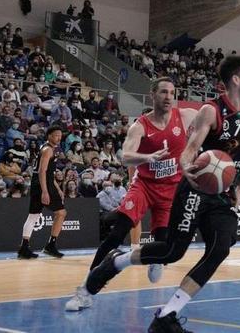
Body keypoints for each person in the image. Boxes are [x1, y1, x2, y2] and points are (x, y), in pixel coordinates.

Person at [85, 56, 240, 333]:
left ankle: (166, 316)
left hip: (222, 193)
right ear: (235, 79)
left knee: (221, 246)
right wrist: (185, 166)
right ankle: (117, 261)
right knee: (172, 251)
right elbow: (191, 147)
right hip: (194, 187)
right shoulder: (210, 110)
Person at [66, 77, 197, 312]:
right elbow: (124, 156)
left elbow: (213, 120)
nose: (168, 96)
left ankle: (156, 259)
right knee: (118, 233)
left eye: (172, 92)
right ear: (153, 95)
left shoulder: (185, 117)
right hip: (144, 186)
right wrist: (147, 158)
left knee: (165, 245)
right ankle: (86, 288)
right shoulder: (140, 126)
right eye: (163, 92)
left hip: (171, 190)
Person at [17, 126, 68, 259]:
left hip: (40, 183)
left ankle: (24, 247)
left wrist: (57, 188)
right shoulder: (47, 150)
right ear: (49, 136)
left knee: (33, 215)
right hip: (43, 184)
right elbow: (42, 171)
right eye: (56, 135)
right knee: (61, 212)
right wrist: (45, 191)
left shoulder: (47, 148)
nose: (59, 137)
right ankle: (51, 245)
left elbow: (49, 173)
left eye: (60, 135)